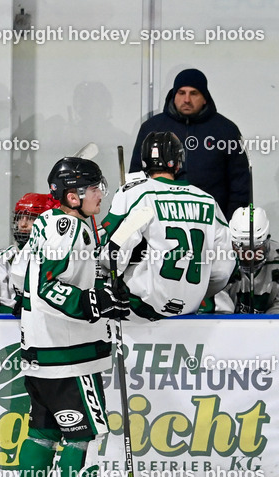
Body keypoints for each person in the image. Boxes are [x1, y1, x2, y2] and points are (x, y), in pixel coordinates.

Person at [17, 157, 128, 477]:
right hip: (69, 355)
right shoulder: (69, 228)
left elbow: (21, 277)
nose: (101, 194)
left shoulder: (50, 223)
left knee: (43, 433)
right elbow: (49, 286)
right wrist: (94, 303)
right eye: (94, 188)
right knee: (88, 434)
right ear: (73, 195)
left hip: (39, 352)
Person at [104, 132, 235, 319]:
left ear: (144, 161)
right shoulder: (207, 200)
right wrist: (196, 292)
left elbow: (114, 250)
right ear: (179, 162)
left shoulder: (135, 192)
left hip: (140, 308)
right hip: (190, 308)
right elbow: (223, 269)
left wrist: (107, 274)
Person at [128, 68, 250, 220]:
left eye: (193, 93)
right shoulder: (152, 128)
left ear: (204, 98)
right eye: (181, 93)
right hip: (159, 223)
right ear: (174, 95)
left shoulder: (226, 130)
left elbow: (240, 184)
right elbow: (136, 177)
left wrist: (230, 223)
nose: (187, 99)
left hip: (211, 223)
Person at [0, 193, 59, 314]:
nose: (23, 224)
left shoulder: (57, 256)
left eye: (31, 218)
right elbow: (2, 303)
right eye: (20, 218)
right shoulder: (4, 258)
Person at [218, 206, 279, 313]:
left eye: (255, 250)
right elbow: (218, 307)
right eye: (242, 250)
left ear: (267, 240)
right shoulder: (219, 260)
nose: (248, 257)